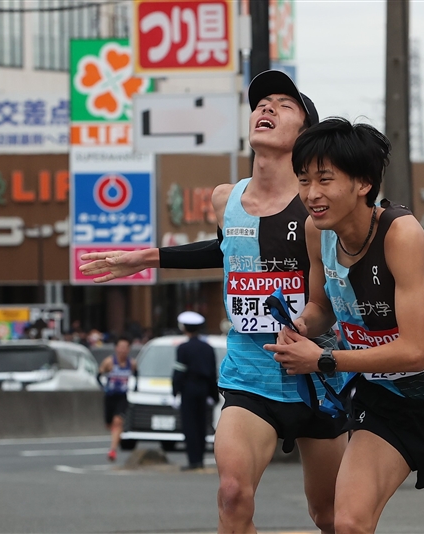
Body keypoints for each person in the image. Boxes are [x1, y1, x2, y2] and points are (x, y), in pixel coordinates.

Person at [79, 71, 347, 533]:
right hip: (250, 371)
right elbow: (223, 249)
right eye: (261, 103)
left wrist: (307, 328)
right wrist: (146, 256)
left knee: (331, 515)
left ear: (305, 134)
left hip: (315, 372)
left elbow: (340, 282)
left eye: (284, 105)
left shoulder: (317, 205)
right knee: (232, 494)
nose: (266, 109)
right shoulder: (229, 197)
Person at [264, 118, 424, 533]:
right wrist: (301, 325)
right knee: (349, 523)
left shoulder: (401, 235)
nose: (311, 195)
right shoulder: (316, 233)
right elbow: (322, 305)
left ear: (363, 183)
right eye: (303, 181)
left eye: (324, 180)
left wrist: (321, 359)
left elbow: (413, 352)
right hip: (386, 404)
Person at [173, 311, 219, 471]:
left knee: (190, 425)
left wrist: (175, 392)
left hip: (189, 389)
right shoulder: (208, 348)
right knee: (202, 424)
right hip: (204, 389)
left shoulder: (183, 348)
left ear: (184, 328)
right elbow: (213, 373)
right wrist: (214, 395)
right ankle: (200, 459)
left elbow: (179, 372)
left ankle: (193, 460)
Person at [98, 336, 136, 462]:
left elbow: (137, 375)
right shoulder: (109, 362)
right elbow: (98, 375)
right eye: (120, 347)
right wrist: (103, 386)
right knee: (109, 424)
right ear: (116, 348)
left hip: (122, 397)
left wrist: (135, 387)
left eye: (125, 348)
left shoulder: (132, 363)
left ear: (129, 349)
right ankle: (115, 435)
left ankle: (113, 450)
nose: (123, 350)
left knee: (118, 421)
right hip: (110, 397)